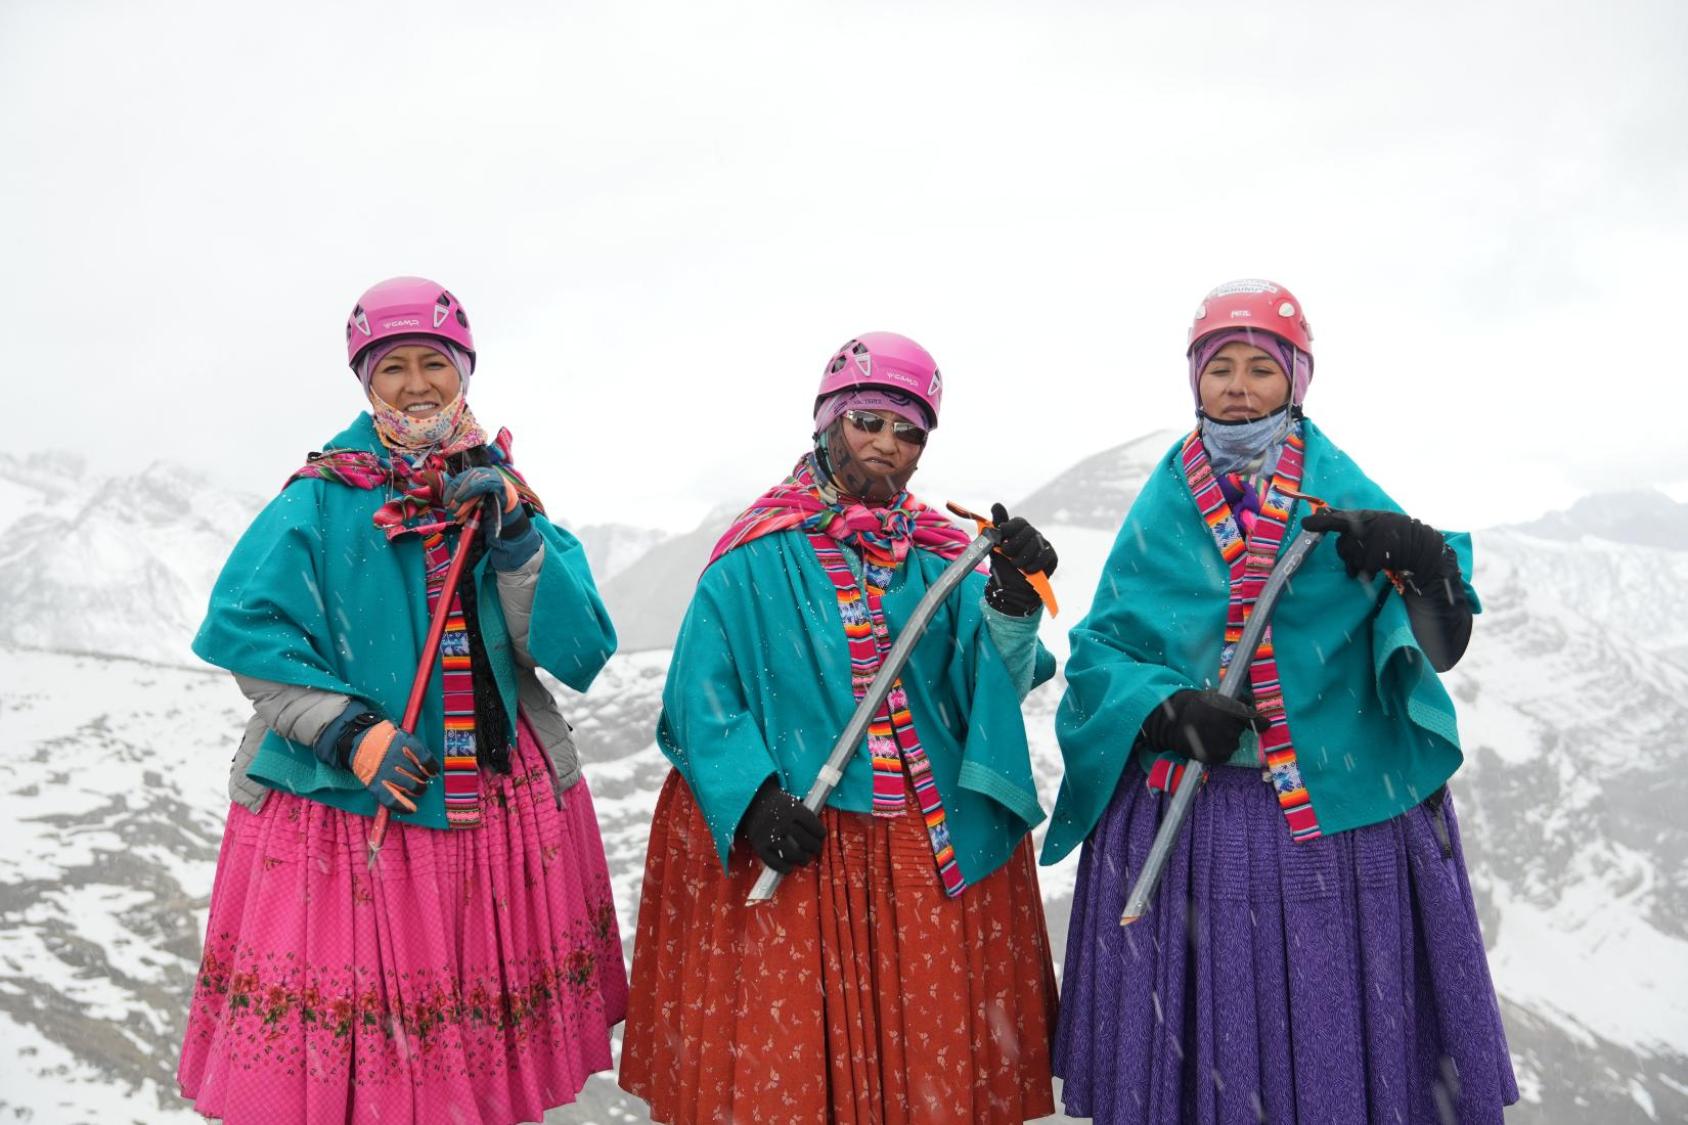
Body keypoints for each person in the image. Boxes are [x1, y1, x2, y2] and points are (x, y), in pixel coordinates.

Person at [1044, 280, 1518, 1123]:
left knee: (1331, 1048)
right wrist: (1162, 708)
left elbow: (1438, 642)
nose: (1236, 386)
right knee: (1208, 1060)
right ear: (1193, 379)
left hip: (1334, 823)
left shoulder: (1341, 487)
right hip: (1198, 823)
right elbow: (1102, 651)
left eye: (1260, 368)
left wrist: (1428, 565)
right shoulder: (1164, 502)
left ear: (1297, 380)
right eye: (1217, 366)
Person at [176, 277, 626, 1124]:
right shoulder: (320, 495)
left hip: (494, 809)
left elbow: (577, 646)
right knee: (366, 1060)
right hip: (350, 812)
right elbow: (248, 630)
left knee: (477, 1055)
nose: (417, 386)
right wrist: (349, 733)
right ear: (364, 382)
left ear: (464, 372)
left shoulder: (505, 490)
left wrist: (516, 543)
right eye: (393, 369)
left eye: (435, 364)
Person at [619, 332, 1062, 1123]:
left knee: (925, 1069)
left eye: (908, 430)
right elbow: (699, 699)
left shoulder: (941, 555)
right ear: (827, 422)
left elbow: (991, 682)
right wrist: (754, 803)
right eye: (869, 421)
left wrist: (1012, 598)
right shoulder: (751, 555)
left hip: (918, 849)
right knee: (796, 1068)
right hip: (800, 841)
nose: (887, 445)